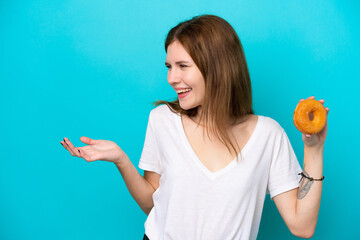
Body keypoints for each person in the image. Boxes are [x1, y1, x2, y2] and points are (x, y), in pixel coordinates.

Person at [60, 15, 328, 240]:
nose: (171, 78)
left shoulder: (268, 136)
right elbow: (153, 204)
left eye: (183, 66)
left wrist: (314, 148)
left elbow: (301, 226)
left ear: (218, 68)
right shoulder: (162, 120)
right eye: (169, 67)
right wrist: (121, 159)